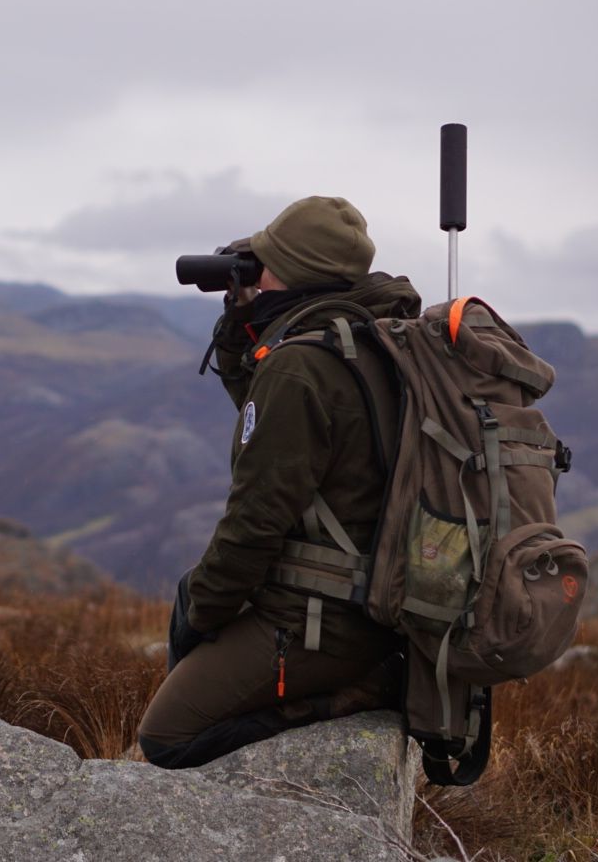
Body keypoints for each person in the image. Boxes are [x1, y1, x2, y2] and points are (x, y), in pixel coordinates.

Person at [138, 196, 420, 768]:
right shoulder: (369, 337)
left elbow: (257, 520)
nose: (255, 272)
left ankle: (361, 690)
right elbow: (272, 421)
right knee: (197, 596)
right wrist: (242, 322)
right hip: (378, 601)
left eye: (265, 263)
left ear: (294, 272)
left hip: (322, 620)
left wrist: (204, 617)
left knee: (166, 736)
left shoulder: (300, 366)